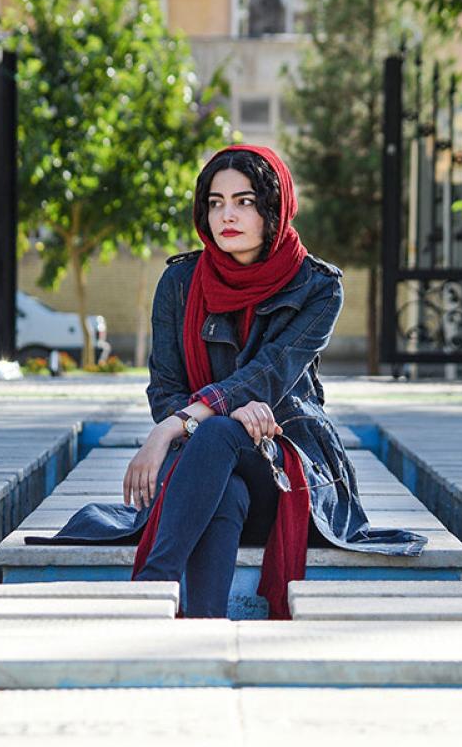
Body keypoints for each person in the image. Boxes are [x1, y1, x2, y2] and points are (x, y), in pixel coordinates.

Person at [34, 145, 426, 618]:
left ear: (273, 208)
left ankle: (152, 587)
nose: (227, 215)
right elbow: (165, 387)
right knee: (226, 480)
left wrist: (172, 427)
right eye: (216, 202)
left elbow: (270, 373)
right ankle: (205, 628)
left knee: (220, 434)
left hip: (288, 467)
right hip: (211, 473)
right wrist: (222, 412)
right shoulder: (180, 283)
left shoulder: (319, 287)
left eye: (244, 201)